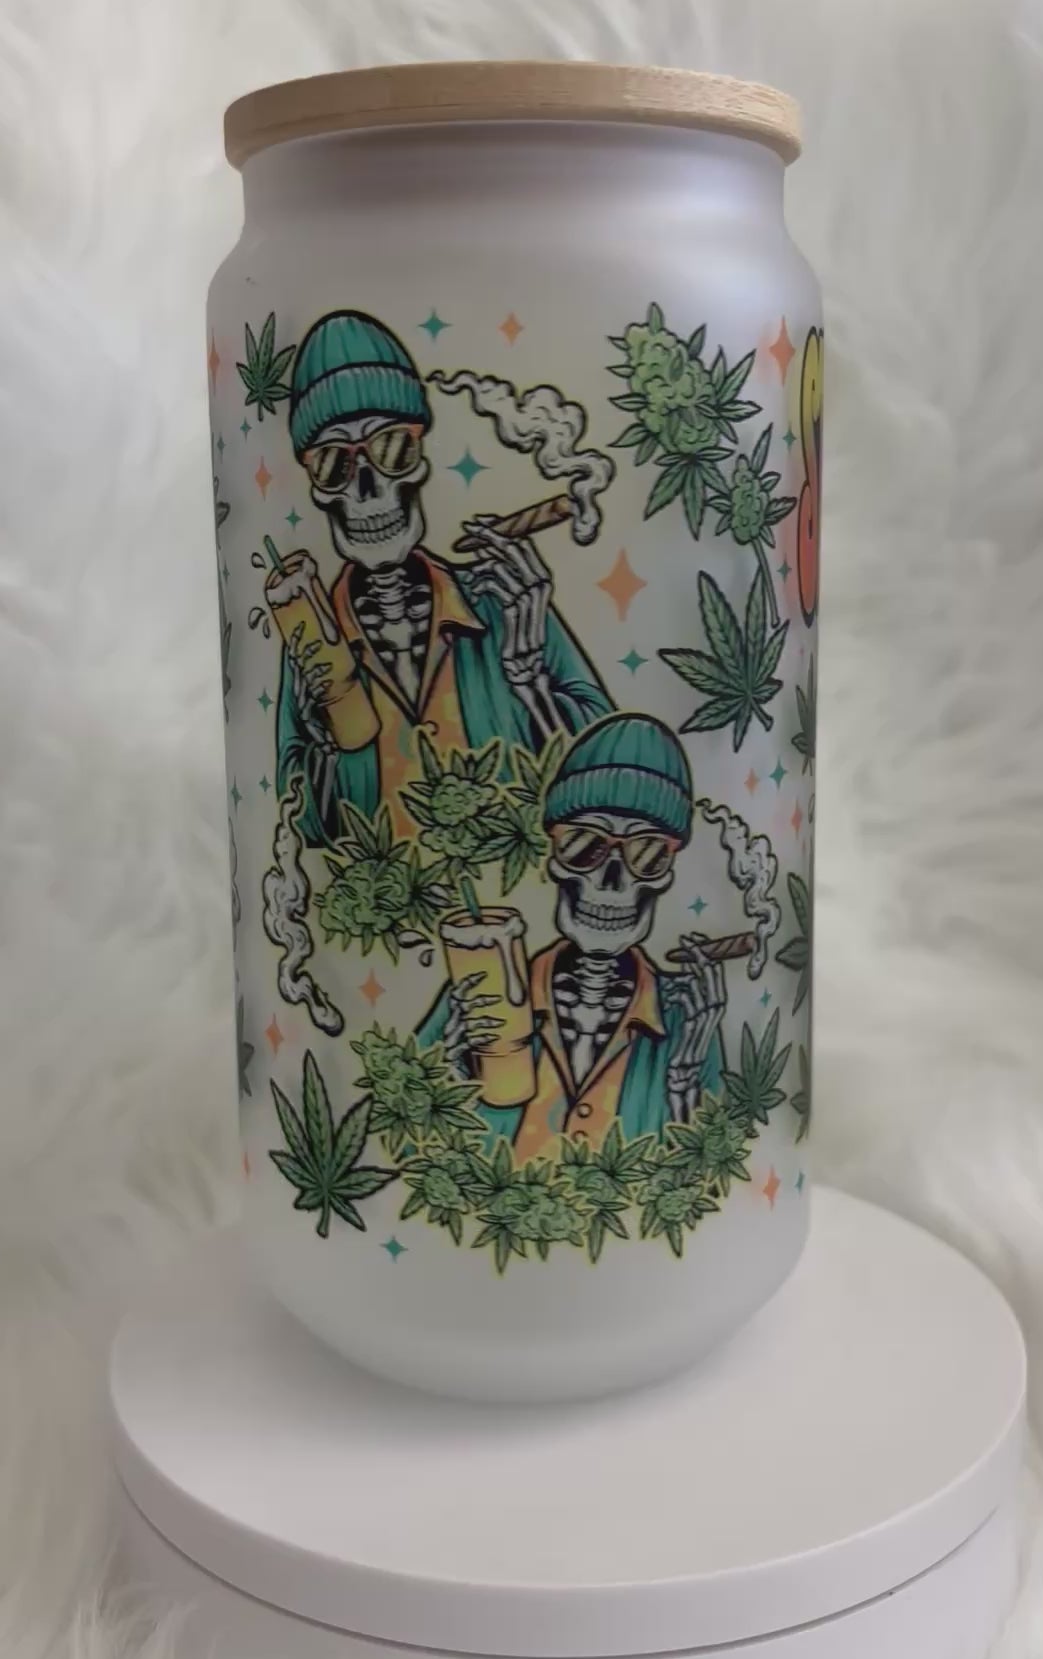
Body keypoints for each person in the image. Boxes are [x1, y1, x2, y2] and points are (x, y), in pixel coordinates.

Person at [275, 310, 611, 845]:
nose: (367, 489)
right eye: (335, 464)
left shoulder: (504, 600)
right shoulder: (314, 638)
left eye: (392, 450)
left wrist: (529, 680)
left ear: (421, 457)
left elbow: (614, 785)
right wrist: (327, 733)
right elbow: (294, 828)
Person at [418, 715, 727, 1154]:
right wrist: (445, 1074)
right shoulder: (475, 997)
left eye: (647, 853)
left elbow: (711, 1167)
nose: (612, 882)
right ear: (553, 855)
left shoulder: (686, 1018)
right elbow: (401, 1142)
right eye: (583, 845)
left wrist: (685, 1079)